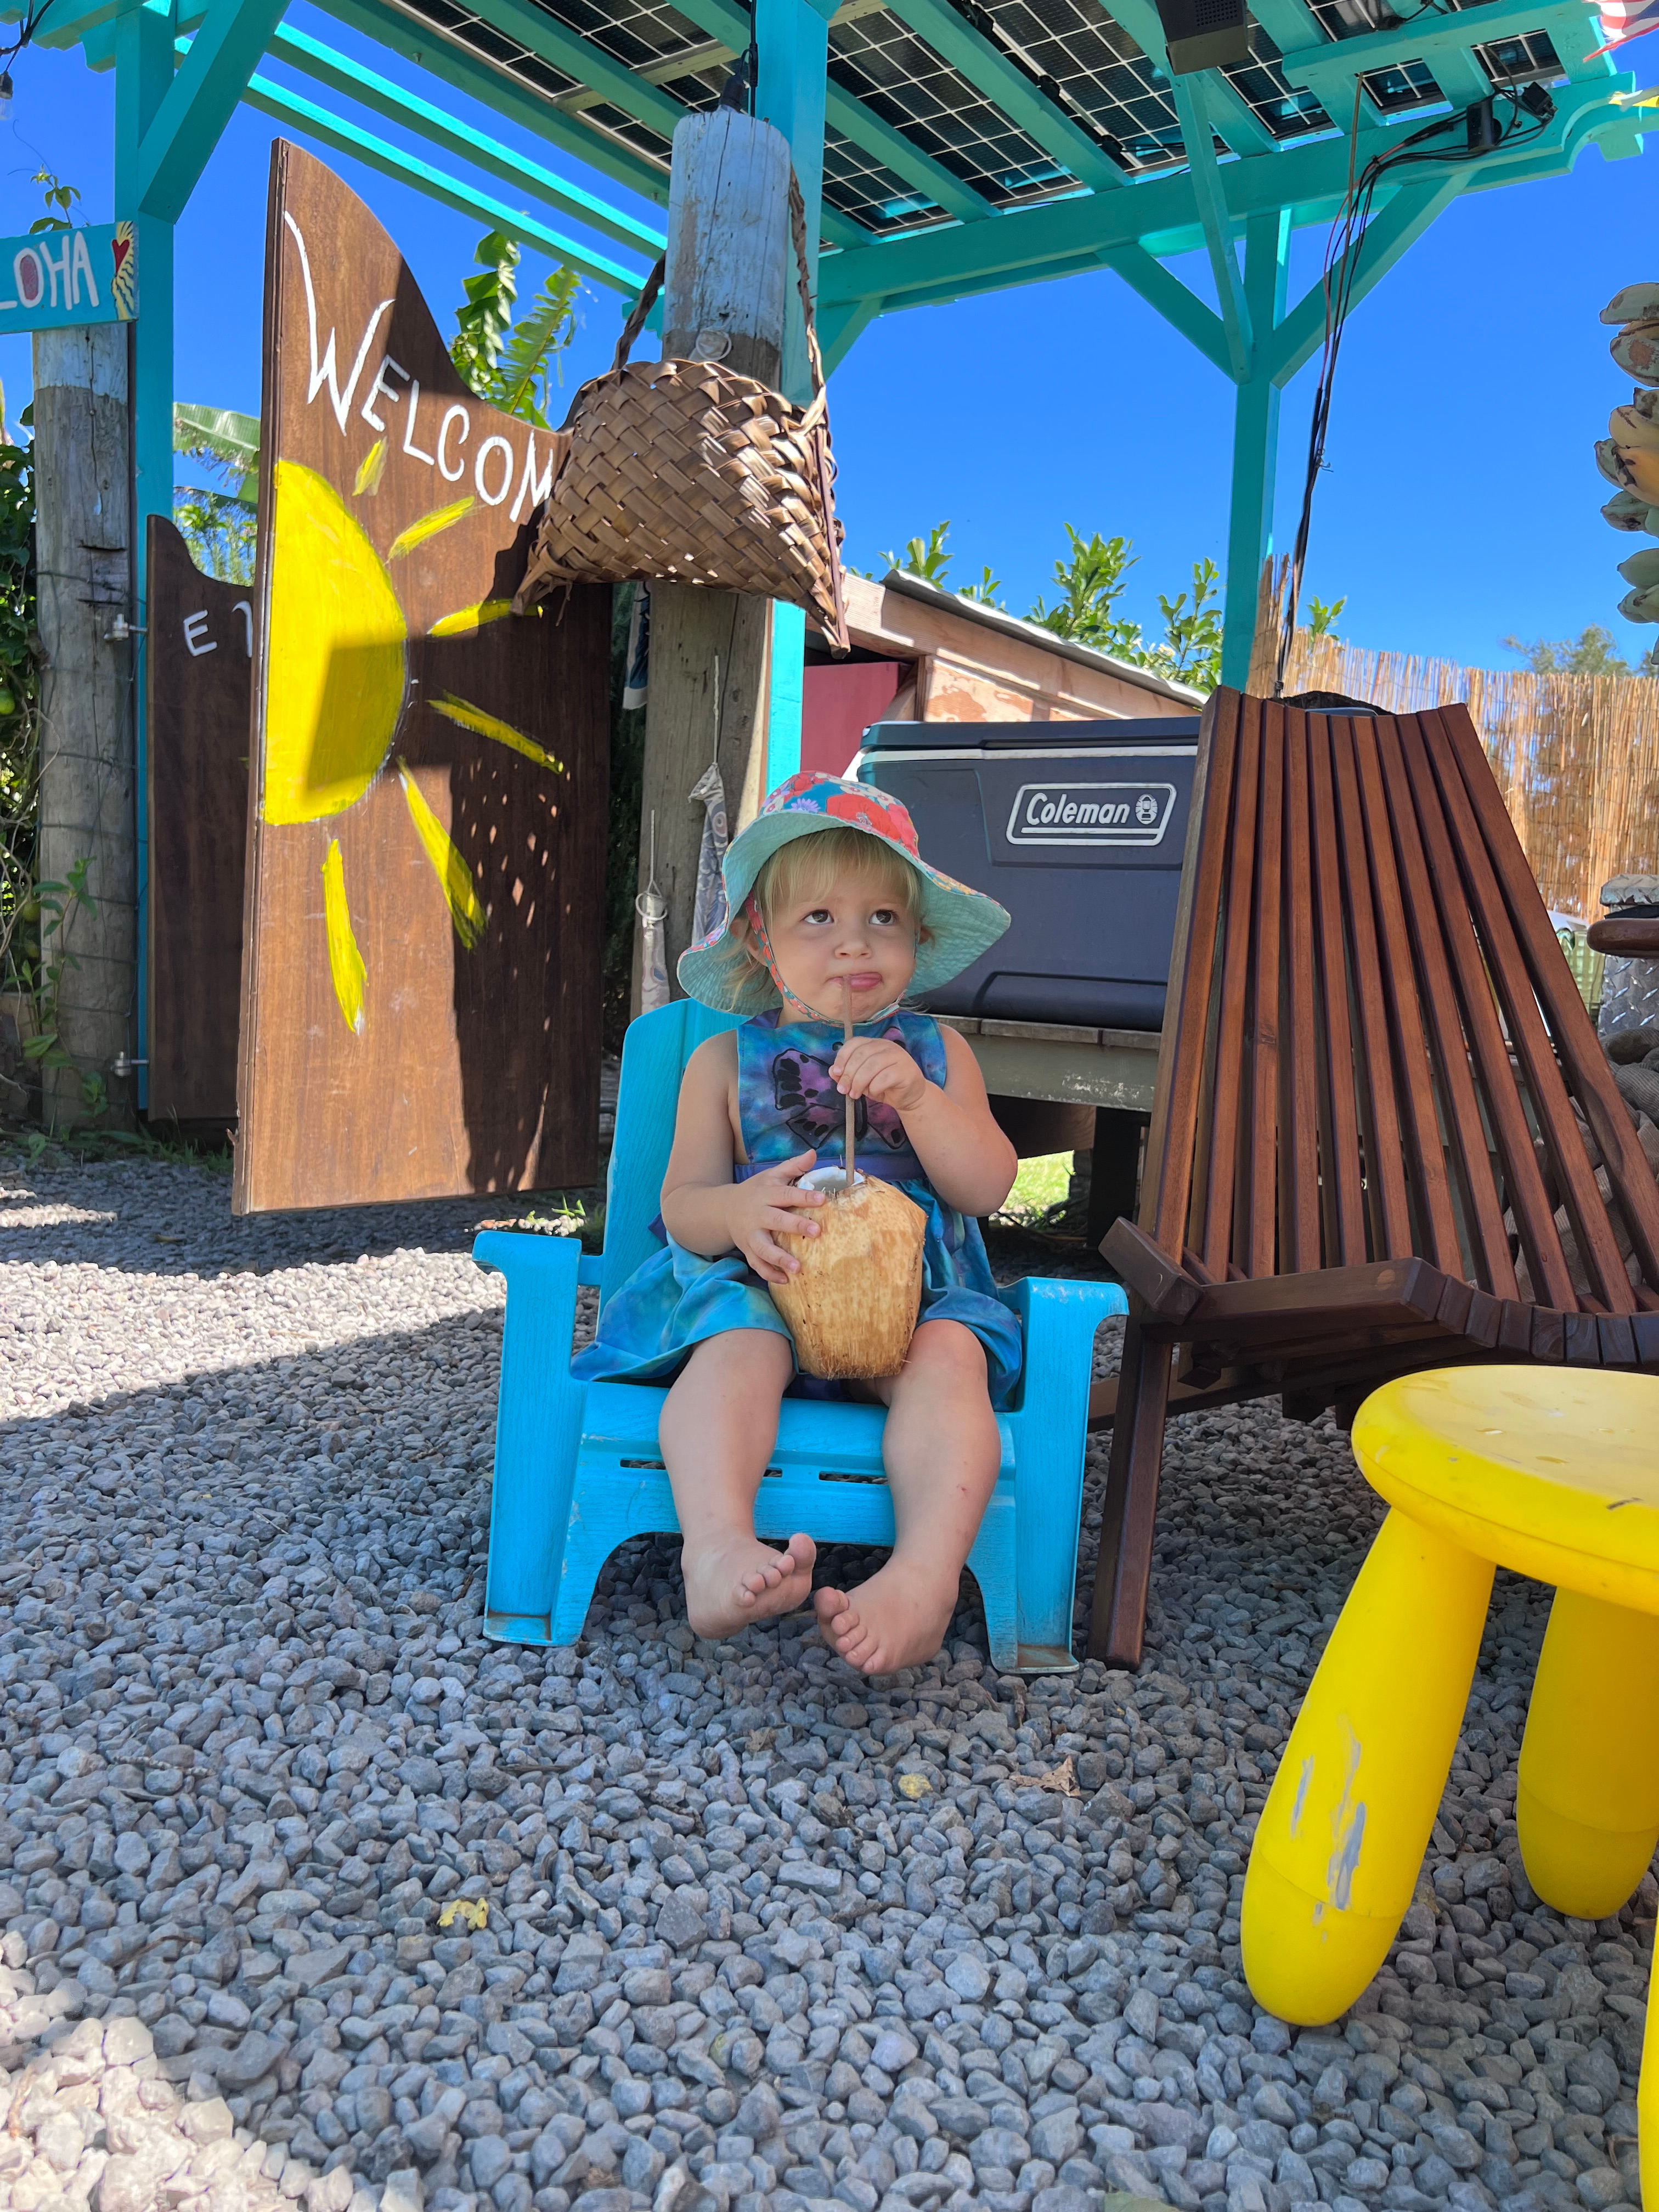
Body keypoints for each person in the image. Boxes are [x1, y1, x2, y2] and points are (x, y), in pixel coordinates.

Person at [574, 774, 1021, 1674]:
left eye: (884, 918)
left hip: (913, 1301)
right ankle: (717, 1546)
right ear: (762, 943)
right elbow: (683, 1206)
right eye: (818, 918)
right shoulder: (718, 1060)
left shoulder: (940, 1054)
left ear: (918, 937)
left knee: (950, 1360)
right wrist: (738, 1212)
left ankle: (925, 1578)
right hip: (766, 1290)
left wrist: (922, 1102)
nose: (854, 941)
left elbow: (987, 1186)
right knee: (731, 1348)